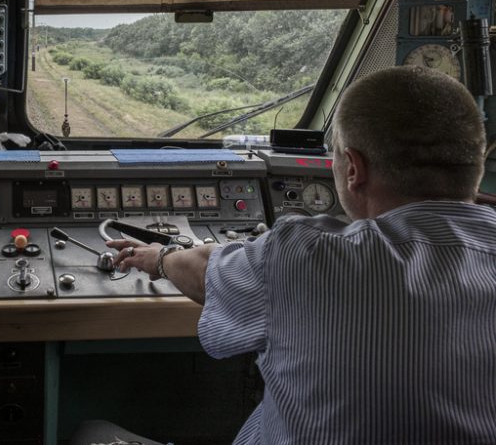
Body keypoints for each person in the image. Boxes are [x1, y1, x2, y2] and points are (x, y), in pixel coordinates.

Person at [99, 65, 496, 444]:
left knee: (92, 432)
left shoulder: (304, 254)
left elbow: (204, 270)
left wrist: (162, 257)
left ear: (353, 168)